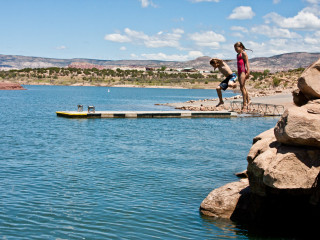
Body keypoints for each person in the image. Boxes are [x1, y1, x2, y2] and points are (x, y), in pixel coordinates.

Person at [234, 42, 251, 111]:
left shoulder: (243, 53)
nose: (236, 50)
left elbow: (247, 63)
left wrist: (248, 72)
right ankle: (248, 100)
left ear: (241, 47)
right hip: (239, 72)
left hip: (243, 72)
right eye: (234, 49)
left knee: (242, 87)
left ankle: (244, 104)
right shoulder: (237, 55)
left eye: (236, 48)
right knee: (242, 87)